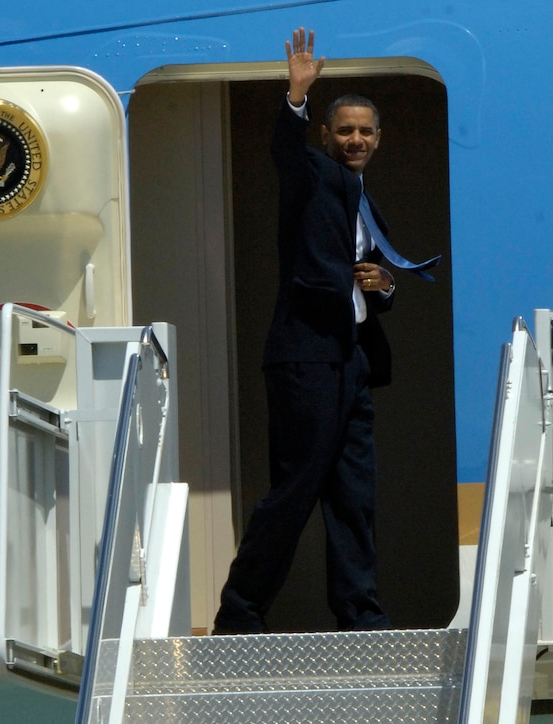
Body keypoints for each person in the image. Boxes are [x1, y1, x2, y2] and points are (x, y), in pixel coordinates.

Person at [214, 27, 411, 634]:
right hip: (306, 359)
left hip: (352, 361)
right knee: (295, 490)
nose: (355, 140)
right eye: (344, 130)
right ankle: (239, 616)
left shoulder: (364, 198)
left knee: (354, 496)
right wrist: (295, 96)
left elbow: (368, 278)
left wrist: (385, 285)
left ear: (378, 139)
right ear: (326, 136)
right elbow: (285, 149)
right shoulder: (310, 174)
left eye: (365, 132)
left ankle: (361, 617)